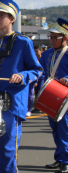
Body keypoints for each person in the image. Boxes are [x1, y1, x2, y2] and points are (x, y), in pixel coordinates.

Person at [0, 0, 43, 173]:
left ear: (12, 19)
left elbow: (37, 70)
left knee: (8, 150)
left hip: (11, 105)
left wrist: (22, 75)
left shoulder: (23, 42)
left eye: (2, 15)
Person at [40, 18, 68, 173]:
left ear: (65, 38)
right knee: (55, 129)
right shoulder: (46, 54)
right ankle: (59, 158)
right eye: (50, 37)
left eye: (54, 38)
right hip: (50, 97)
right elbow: (41, 72)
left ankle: (65, 160)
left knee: (65, 130)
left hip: (65, 99)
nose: (51, 40)